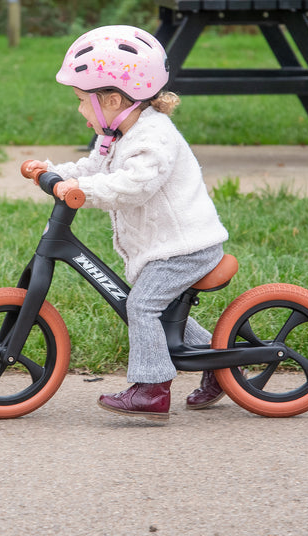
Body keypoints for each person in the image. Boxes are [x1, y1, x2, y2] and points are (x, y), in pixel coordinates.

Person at [26, 25, 229, 421]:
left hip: (186, 247)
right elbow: (91, 168)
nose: (80, 109)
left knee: (143, 306)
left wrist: (81, 191)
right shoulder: (119, 132)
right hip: (165, 247)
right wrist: (51, 172)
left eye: (82, 101)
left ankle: (152, 390)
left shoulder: (153, 138)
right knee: (164, 310)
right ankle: (220, 365)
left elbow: (133, 186)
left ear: (114, 98)